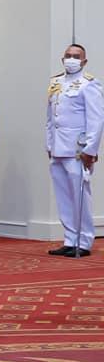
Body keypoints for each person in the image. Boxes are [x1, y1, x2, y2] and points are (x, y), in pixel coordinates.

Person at [46, 43, 104, 257]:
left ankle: (84, 241)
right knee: (63, 197)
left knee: (80, 197)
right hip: (57, 148)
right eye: (68, 55)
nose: (71, 59)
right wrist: (49, 144)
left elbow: (96, 120)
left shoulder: (89, 84)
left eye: (76, 56)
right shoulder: (56, 82)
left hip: (77, 150)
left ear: (84, 61)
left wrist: (90, 150)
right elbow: (50, 118)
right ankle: (70, 239)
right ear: (63, 59)